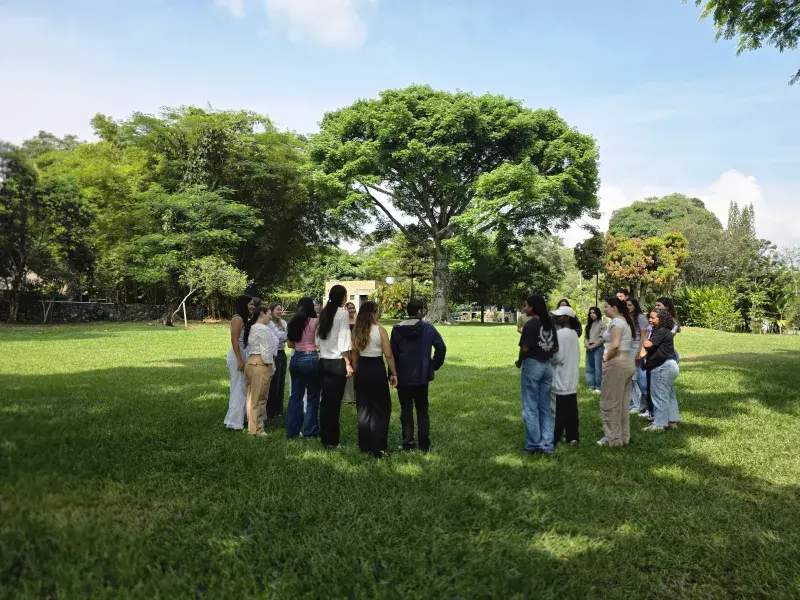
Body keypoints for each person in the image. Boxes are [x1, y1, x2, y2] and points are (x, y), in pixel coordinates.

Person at [390, 299, 447, 452]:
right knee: (422, 410)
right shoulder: (428, 329)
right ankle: (424, 443)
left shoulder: (397, 329)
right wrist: (433, 365)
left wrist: (392, 373)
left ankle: (408, 442)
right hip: (421, 375)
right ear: (420, 312)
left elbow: (392, 354)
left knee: (406, 409)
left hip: (402, 375)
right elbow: (441, 348)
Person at [352, 301, 398, 457]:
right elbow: (388, 354)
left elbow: (354, 353)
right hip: (376, 368)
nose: (378, 314)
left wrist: (355, 369)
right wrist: (394, 373)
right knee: (381, 408)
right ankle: (379, 447)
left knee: (363, 408)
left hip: (361, 368)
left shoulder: (357, 330)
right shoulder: (380, 330)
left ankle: (364, 445)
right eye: (377, 311)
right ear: (373, 313)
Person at [516, 294, 558, 455]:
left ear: (532, 307)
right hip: (547, 366)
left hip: (532, 365)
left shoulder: (531, 324)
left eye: (526, 305)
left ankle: (533, 444)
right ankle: (547, 445)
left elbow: (525, 348)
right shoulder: (549, 324)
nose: (524, 308)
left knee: (530, 406)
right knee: (545, 407)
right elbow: (554, 347)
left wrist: (520, 361)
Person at [316, 285, 353, 449]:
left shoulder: (324, 312)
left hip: (323, 361)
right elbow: (344, 340)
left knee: (325, 402)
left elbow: (318, 339)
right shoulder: (343, 313)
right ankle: (333, 441)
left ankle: (325, 437)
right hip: (337, 362)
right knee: (334, 404)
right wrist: (348, 363)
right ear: (343, 297)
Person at [597, 297, 636, 447]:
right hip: (626, 362)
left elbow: (615, 344)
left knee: (610, 401)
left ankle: (612, 439)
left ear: (614, 308)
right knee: (622, 402)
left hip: (617, 362)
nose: (604, 309)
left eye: (606, 306)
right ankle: (623, 437)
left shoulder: (616, 323)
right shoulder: (623, 321)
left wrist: (606, 357)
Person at [286, 297, 321, 440]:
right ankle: (310, 432)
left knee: (295, 396)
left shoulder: (292, 322)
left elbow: (290, 343)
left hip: (296, 358)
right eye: (314, 305)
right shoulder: (316, 321)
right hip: (311, 358)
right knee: (313, 397)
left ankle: (292, 432)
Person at [642, 307, 681, 432]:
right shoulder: (662, 331)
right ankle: (672, 421)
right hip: (669, 366)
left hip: (663, 367)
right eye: (650, 317)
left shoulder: (662, 331)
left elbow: (647, 344)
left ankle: (659, 423)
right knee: (669, 395)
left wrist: (642, 334)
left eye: (653, 318)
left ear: (661, 319)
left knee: (659, 395)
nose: (650, 320)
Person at [242, 306, 278, 437]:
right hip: (260, 363)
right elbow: (266, 351)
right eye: (269, 314)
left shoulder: (252, 327)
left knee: (251, 398)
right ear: (262, 314)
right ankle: (257, 430)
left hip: (251, 362)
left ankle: (253, 428)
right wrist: (271, 366)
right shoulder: (263, 329)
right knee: (260, 399)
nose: (270, 316)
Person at [550, 306, 581, 445]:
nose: (556, 318)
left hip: (560, 376)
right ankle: (572, 436)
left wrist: (548, 357)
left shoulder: (560, 334)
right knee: (571, 409)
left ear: (567, 318)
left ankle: (555, 437)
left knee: (558, 410)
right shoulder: (574, 334)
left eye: (559, 316)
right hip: (572, 376)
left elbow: (557, 356)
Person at [224, 294, 254, 431]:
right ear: (244, 305)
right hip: (237, 355)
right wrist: (240, 360)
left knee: (241, 387)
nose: (253, 307)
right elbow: (234, 340)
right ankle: (234, 422)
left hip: (242, 354)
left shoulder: (244, 318)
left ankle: (237, 418)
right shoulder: (237, 319)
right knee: (239, 388)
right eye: (250, 304)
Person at [265, 303, 288, 421]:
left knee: (281, 383)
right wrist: (289, 335)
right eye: (277, 309)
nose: (280, 311)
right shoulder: (268, 323)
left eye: (281, 310)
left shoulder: (283, 323)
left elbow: (284, 338)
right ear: (271, 310)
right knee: (274, 383)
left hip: (282, 353)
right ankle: (270, 410)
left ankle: (278, 409)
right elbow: (278, 336)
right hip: (274, 355)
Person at [626, 298, 649, 413]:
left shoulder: (640, 317)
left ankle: (639, 404)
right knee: (629, 376)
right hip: (628, 346)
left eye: (629, 305)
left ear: (635, 306)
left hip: (636, 345)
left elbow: (644, 336)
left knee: (635, 377)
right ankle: (632, 403)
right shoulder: (627, 317)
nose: (627, 307)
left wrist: (640, 351)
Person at [584, 306, 606, 393]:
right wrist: (586, 345)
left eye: (594, 313)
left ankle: (598, 386)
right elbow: (586, 337)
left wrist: (595, 345)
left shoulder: (602, 324)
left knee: (598, 368)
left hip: (598, 348)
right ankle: (591, 385)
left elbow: (603, 337)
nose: (592, 315)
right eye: (590, 313)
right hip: (589, 348)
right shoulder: (588, 325)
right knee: (589, 367)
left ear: (598, 313)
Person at [342, 302, 358, 405]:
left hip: (356, 349)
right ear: (346, 309)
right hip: (346, 348)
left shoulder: (358, 321)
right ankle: (348, 397)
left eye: (353, 308)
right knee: (348, 371)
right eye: (349, 308)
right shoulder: (343, 321)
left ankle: (356, 396)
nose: (352, 310)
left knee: (356, 371)